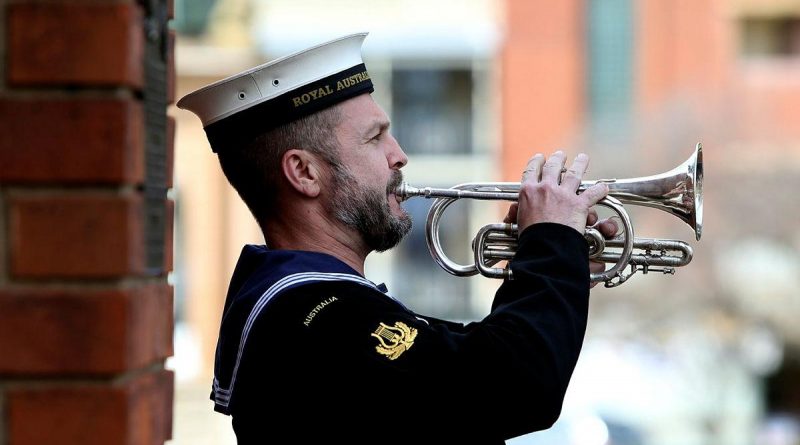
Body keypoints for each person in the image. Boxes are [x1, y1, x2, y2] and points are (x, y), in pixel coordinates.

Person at [178, 33, 617, 444]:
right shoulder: (315, 317)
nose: (399, 155)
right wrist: (551, 250)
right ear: (304, 173)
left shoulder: (314, 307)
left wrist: (547, 263)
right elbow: (513, 387)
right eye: (375, 138)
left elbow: (465, 366)